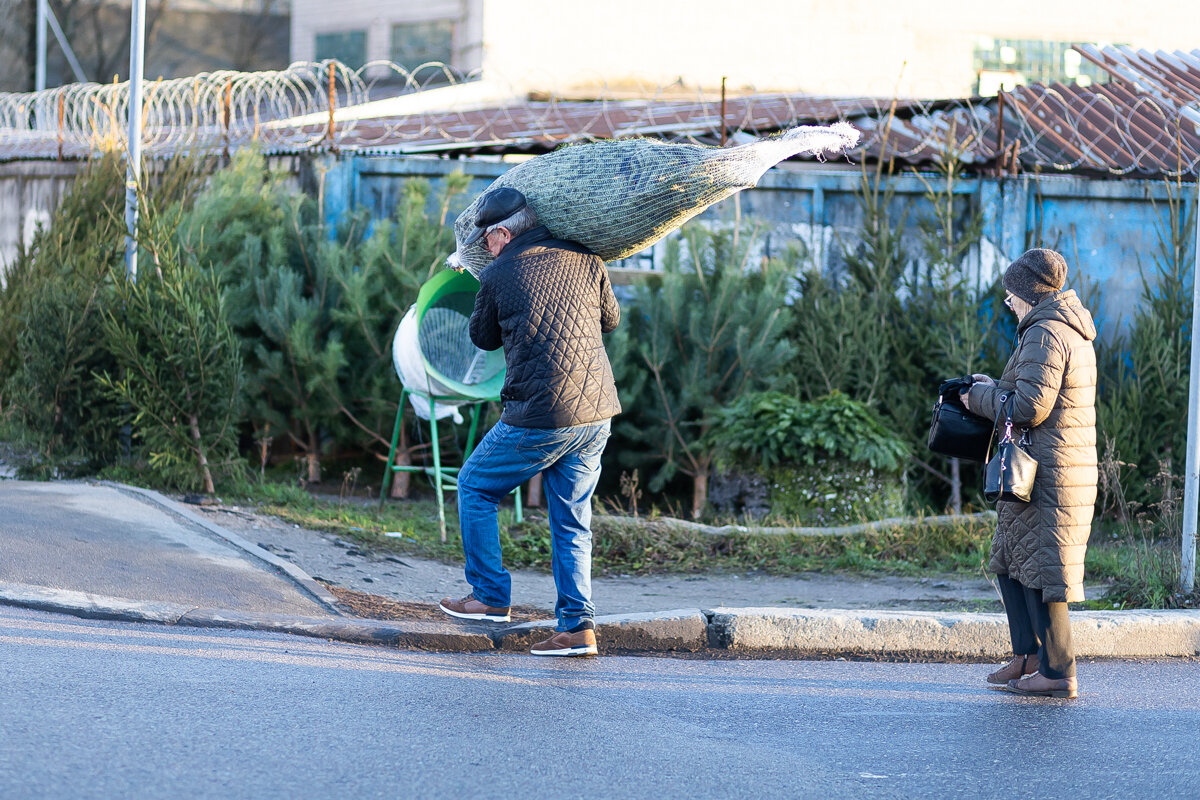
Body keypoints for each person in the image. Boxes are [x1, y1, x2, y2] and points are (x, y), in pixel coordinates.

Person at [438, 187, 621, 657]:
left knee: (475, 485)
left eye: (488, 241)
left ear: (502, 233)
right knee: (572, 520)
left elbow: (481, 338)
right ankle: (577, 628)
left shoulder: (500, 272)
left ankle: (489, 597)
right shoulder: (584, 256)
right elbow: (610, 319)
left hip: (541, 413)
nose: (486, 249)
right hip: (596, 412)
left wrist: (486, 280)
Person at [961, 248, 1097, 699]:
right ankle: (1028, 655)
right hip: (1036, 467)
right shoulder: (1051, 328)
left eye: (1010, 296)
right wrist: (991, 387)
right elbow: (1025, 393)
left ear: (1027, 294)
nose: (1008, 303)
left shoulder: (1047, 331)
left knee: (1043, 571)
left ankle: (1058, 673)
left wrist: (979, 401)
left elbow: (1029, 407)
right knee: (1009, 561)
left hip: (1049, 472)